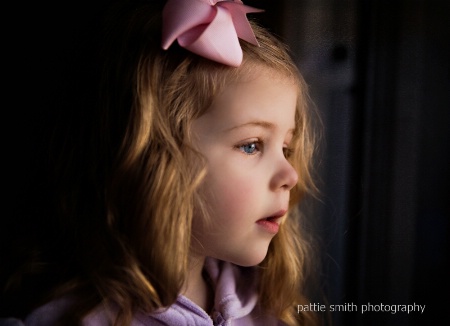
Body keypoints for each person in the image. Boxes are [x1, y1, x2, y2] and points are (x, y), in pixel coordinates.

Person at [7, 0, 320, 325]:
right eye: (252, 145)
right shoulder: (74, 320)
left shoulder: (272, 311)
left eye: (286, 148)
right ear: (156, 158)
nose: (291, 175)